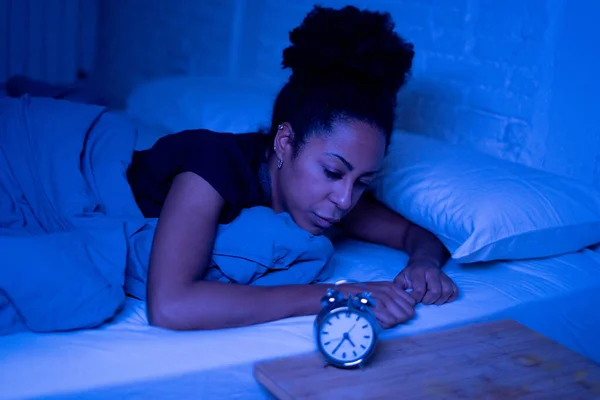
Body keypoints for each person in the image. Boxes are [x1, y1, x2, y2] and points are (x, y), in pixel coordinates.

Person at [127, 5, 458, 332]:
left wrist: (423, 265)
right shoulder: (212, 163)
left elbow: (415, 235)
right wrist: (333, 296)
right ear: (285, 141)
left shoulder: (328, 201)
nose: (345, 200)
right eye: (332, 172)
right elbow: (170, 306)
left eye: (362, 182)